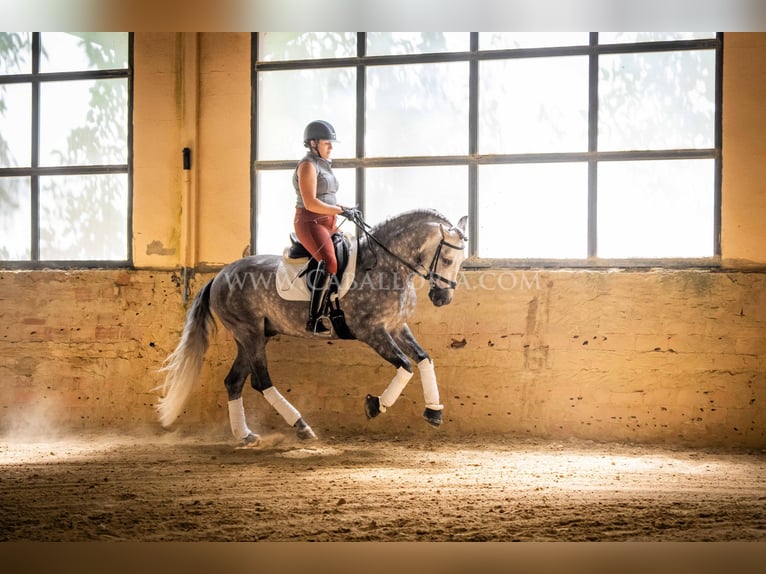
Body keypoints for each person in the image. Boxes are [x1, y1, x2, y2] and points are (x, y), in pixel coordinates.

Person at [293, 120, 357, 333]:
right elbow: (310, 202)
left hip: (329, 222)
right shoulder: (307, 166)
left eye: (331, 143)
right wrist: (339, 210)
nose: (331, 147)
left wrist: (344, 208)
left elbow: (328, 198)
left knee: (350, 250)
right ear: (313, 143)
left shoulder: (323, 164)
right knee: (329, 262)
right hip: (310, 222)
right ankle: (314, 318)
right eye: (327, 143)